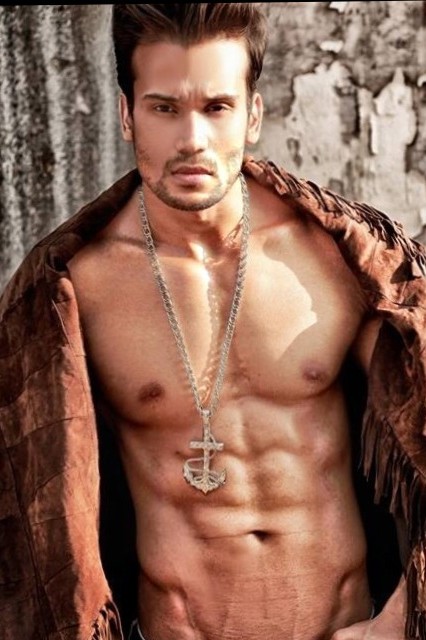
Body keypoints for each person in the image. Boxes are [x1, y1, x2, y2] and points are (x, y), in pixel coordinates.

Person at [1, 3, 426, 639]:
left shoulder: (339, 261)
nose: (192, 139)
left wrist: (397, 619)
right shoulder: (75, 290)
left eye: (217, 107)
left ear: (253, 114)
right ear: (127, 114)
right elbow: (24, 513)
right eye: (164, 108)